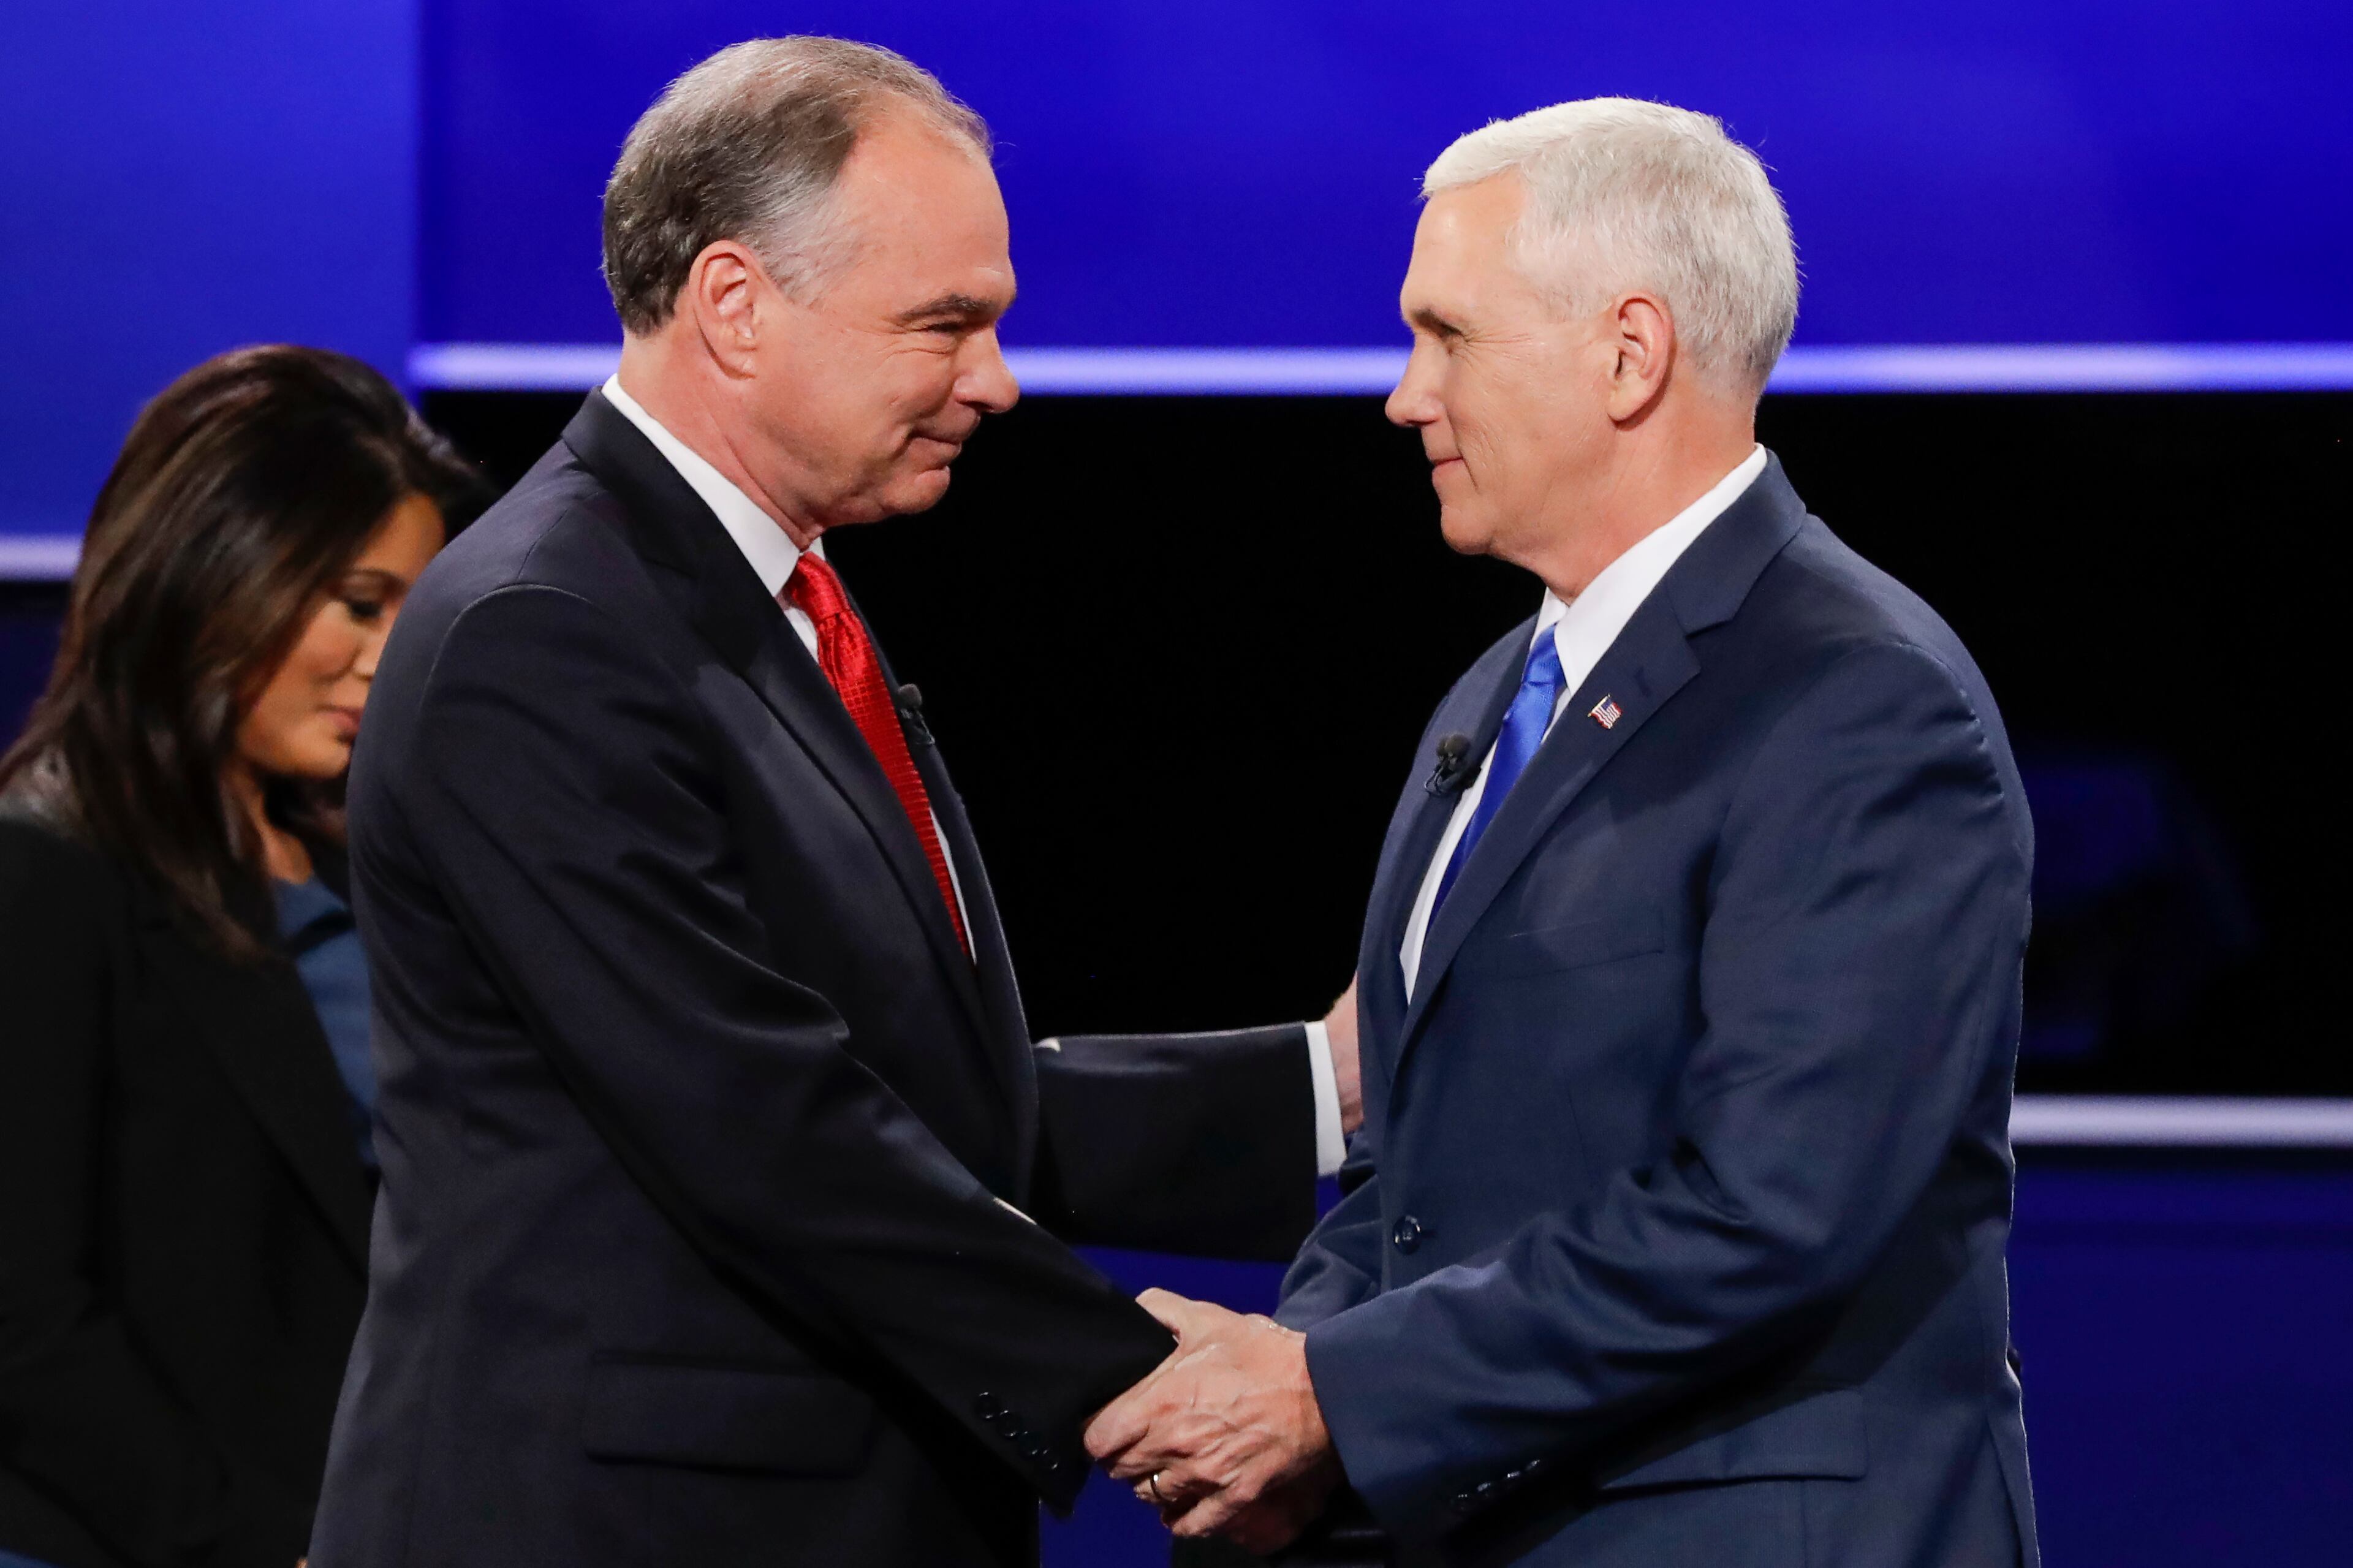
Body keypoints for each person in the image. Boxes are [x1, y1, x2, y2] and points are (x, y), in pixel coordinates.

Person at [308, 39, 1351, 1568]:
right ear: (736, 305)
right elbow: (767, 1122)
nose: (996, 381)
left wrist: (1326, 1084)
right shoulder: (540, 633)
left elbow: (919, 1093)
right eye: (947, 324)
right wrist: (1162, 1394)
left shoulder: (752, 597)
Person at [1088, 99, 2040, 1568]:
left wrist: (1333, 1392)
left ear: (1628, 353)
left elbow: (1771, 1211)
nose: (1405, 395)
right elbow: (1412, 1175)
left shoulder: (1859, 700)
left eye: (1448, 334)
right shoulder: (1497, 693)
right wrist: (1290, 1380)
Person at [0, 346, 480, 1568]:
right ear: (216, 569)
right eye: (358, 602)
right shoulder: (47, 870)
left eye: (409, 612)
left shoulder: (365, 868)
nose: (386, 657)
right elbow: (24, 1323)